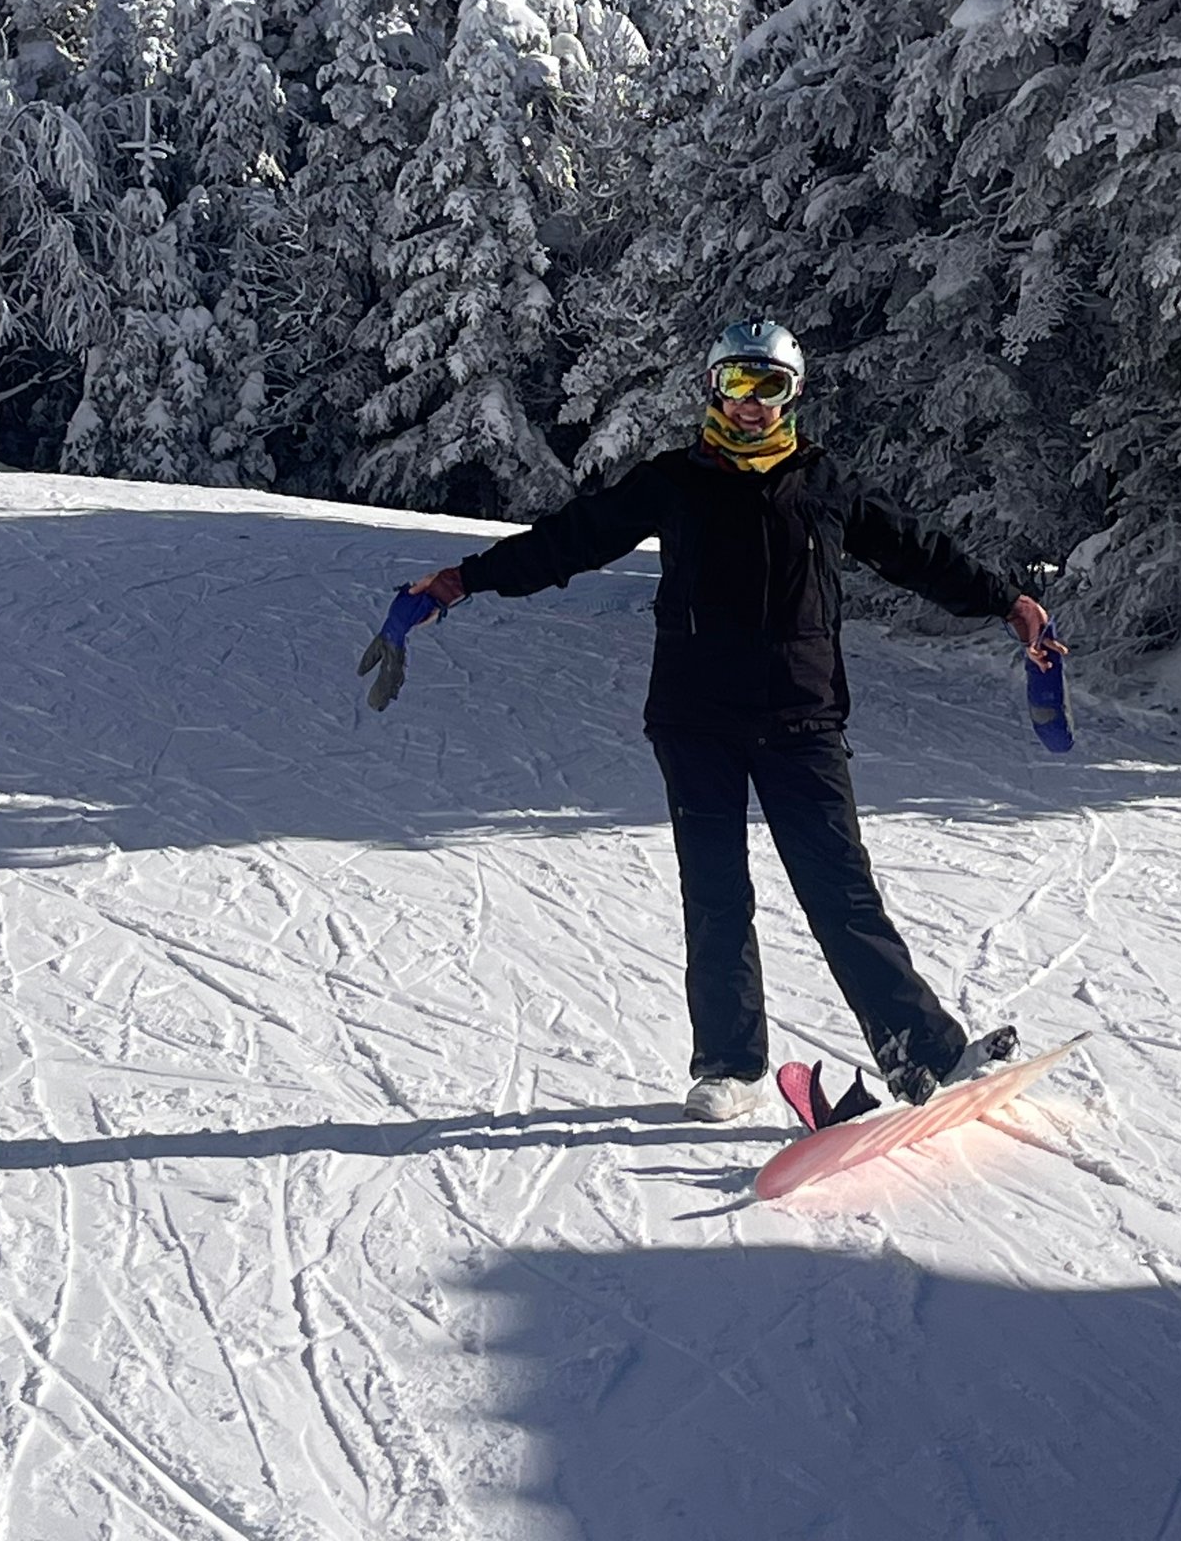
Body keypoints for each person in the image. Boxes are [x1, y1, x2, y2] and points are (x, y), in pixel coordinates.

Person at [396, 319, 1055, 1122]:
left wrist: (1005, 601)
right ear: (713, 389)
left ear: (792, 394)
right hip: (695, 718)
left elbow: (920, 552)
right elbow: (570, 541)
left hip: (803, 720)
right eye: (737, 385)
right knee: (715, 894)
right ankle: (727, 1067)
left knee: (842, 892)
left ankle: (926, 1050)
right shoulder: (674, 481)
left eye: (768, 386)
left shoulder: (825, 484)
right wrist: (464, 580)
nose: (751, 403)